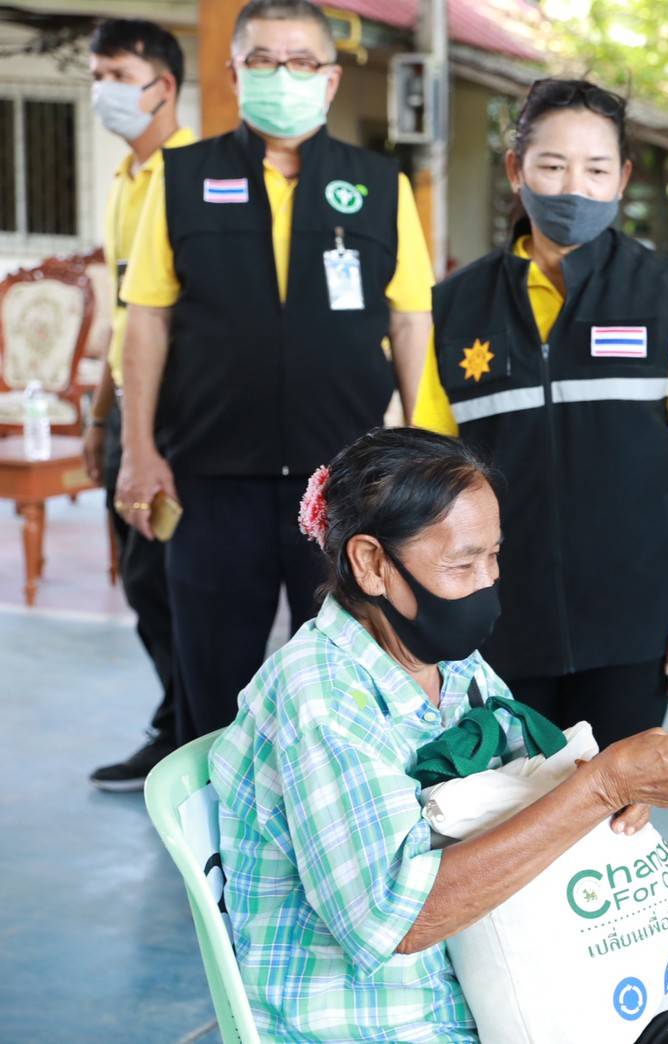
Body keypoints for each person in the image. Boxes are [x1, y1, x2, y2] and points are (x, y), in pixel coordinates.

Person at [209, 427, 668, 1043]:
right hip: (394, 1023)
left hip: (515, 983)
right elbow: (395, 921)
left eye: (493, 556)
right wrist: (598, 788)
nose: (489, 582)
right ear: (371, 563)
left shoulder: (449, 663)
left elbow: (523, 791)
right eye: (462, 564)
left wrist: (606, 799)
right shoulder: (320, 696)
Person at [116, 0, 434, 743]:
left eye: (300, 62)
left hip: (343, 488)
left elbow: (410, 319)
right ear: (233, 73)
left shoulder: (379, 186)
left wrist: (421, 450)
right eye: (262, 61)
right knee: (212, 682)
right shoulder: (181, 177)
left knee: (345, 680)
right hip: (209, 476)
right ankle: (216, 848)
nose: (280, 76)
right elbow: (147, 318)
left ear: (328, 81)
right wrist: (139, 447)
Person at [413, 79, 668, 746]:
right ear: (516, 170)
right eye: (552, 166)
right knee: (508, 818)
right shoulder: (454, 308)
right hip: (496, 619)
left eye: (594, 168)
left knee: (613, 819)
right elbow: (430, 477)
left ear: (621, 179)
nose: (573, 188)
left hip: (635, 620)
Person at [80, 19, 194, 790]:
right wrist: (100, 417)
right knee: (140, 577)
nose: (104, 91)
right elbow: (125, 312)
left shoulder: (194, 177)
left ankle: (190, 733)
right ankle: (176, 720)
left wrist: (151, 435)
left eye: (119, 73)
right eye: (98, 75)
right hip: (130, 410)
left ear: (164, 86)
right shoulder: (127, 180)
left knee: (178, 579)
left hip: (182, 415)